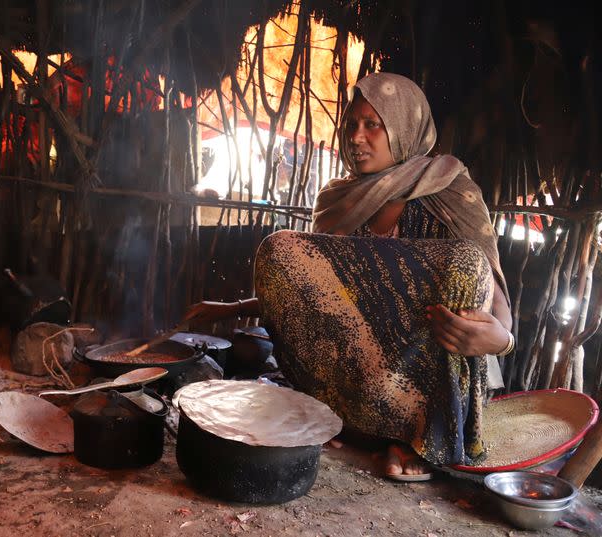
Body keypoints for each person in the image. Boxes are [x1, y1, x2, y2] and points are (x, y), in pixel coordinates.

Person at [183, 72, 514, 480]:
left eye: (372, 124)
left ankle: (422, 438)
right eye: (352, 124)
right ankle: (336, 417)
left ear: (404, 127)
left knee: (466, 261)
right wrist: (231, 308)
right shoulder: (339, 199)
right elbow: (313, 290)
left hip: (423, 377)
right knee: (280, 248)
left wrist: (501, 339)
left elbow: (496, 304)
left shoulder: (450, 193)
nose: (357, 137)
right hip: (357, 377)